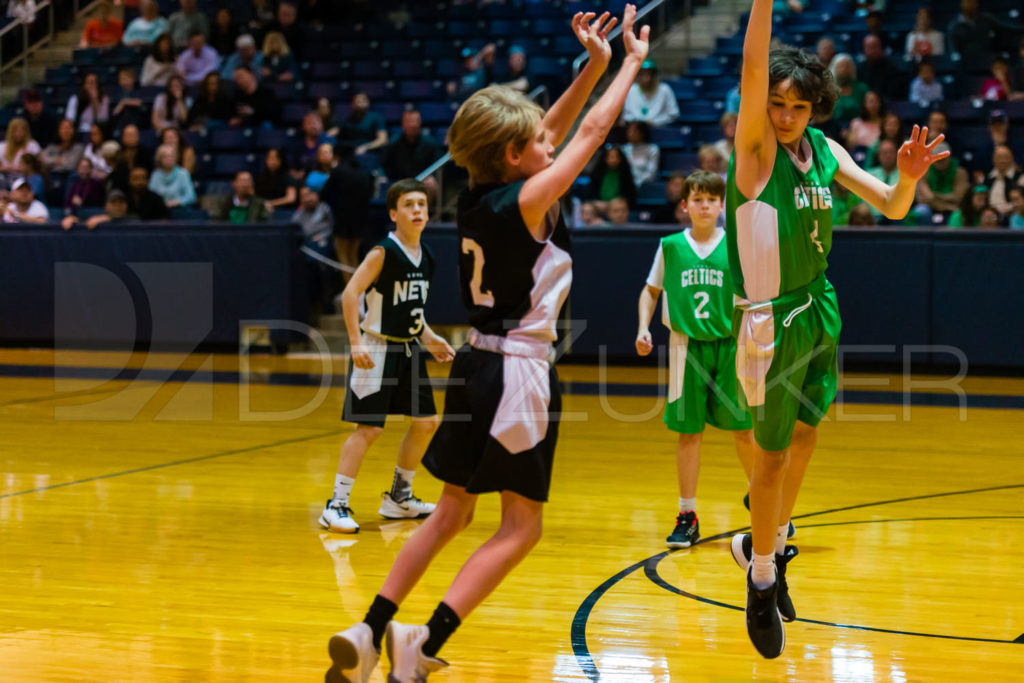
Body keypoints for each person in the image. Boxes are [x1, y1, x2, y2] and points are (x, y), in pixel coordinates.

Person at [324, 8, 649, 682]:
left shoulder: (478, 191)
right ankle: (425, 637)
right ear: (514, 155)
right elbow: (588, 130)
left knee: (449, 511)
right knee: (521, 526)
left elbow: (551, 130)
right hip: (520, 371)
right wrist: (628, 65)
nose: (548, 143)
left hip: (473, 362)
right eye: (536, 142)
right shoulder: (530, 200)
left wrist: (590, 64)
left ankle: (369, 626)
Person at [726, 0, 948, 659]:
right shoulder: (755, 150)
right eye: (777, 103)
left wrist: (905, 179)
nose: (786, 115)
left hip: (818, 304)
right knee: (769, 458)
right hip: (768, 317)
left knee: (807, 435)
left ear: (815, 108)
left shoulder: (821, 148)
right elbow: (751, 64)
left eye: (798, 106)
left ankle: (765, 539)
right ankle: (762, 577)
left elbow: (891, 205)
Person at [318, 178, 454, 534]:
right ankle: (336, 505)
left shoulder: (429, 257)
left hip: (408, 349)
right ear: (394, 213)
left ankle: (399, 498)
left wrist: (430, 337)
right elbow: (351, 295)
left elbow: (411, 309)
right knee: (369, 429)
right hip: (376, 347)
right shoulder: (382, 252)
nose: (418, 211)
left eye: (422, 205)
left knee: (426, 422)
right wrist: (355, 342)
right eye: (409, 205)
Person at [636, 170, 755, 549]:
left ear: (723, 205)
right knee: (689, 433)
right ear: (684, 205)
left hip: (729, 346)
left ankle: (765, 498)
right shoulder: (670, 246)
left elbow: (752, 299)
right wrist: (644, 327)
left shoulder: (736, 245)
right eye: (698, 200)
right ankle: (687, 515)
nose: (705, 206)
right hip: (685, 347)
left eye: (712, 200)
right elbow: (650, 291)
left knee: (744, 429)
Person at [623, 59, 679, 126]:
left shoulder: (665, 90)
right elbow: (626, 115)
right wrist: (640, 123)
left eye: (649, 74)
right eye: (643, 75)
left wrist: (655, 122)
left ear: (654, 76)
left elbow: (673, 114)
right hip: (637, 130)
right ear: (638, 76)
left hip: (659, 129)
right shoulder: (631, 90)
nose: (646, 79)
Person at [148, 144, 196, 208]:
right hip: (160, 211)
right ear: (159, 159)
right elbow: (150, 196)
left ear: (175, 158)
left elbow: (191, 197)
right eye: (165, 156)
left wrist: (176, 202)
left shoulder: (183, 174)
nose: (169, 159)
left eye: (171, 156)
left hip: (180, 210)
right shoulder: (155, 175)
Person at [61, 188, 130, 230]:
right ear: (106, 206)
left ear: (126, 206)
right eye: (113, 203)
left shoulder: (134, 218)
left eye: (121, 202)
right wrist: (71, 219)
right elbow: (78, 220)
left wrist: (108, 218)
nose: (118, 206)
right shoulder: (96, 214)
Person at [621, 120, 659, 187]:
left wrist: (637, 183)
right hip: (625, 185)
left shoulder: (652, 149)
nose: (629, 134)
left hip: (645, 186)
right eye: (629, 131)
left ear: (642, 133)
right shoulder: (624, 149)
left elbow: (651, 172)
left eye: (634, 131)